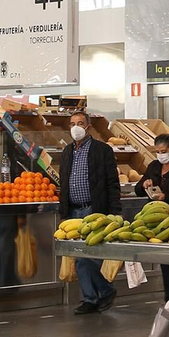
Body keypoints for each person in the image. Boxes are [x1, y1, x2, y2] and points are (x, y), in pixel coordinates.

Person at [58, 109, 120, 315]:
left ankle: (101, 292)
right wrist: (64, 211)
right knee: (79, 256)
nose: (76, 127)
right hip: (74, 212)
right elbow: (63, 182)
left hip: (94, 211)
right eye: (72, 123)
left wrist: (114, 211)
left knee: (90, 257)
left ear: (88, 126)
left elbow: (112, 182)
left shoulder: (102, 150)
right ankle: (92, 297)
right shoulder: (67, 152)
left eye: (80, 123)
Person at [135, 134, 169, 298]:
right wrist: (144, 185)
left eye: (164, 151)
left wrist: (166, 197)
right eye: (157, 151)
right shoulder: (153, 167)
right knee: (166, 262)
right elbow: (138, 190)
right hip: (158, 223)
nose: (161, 155)